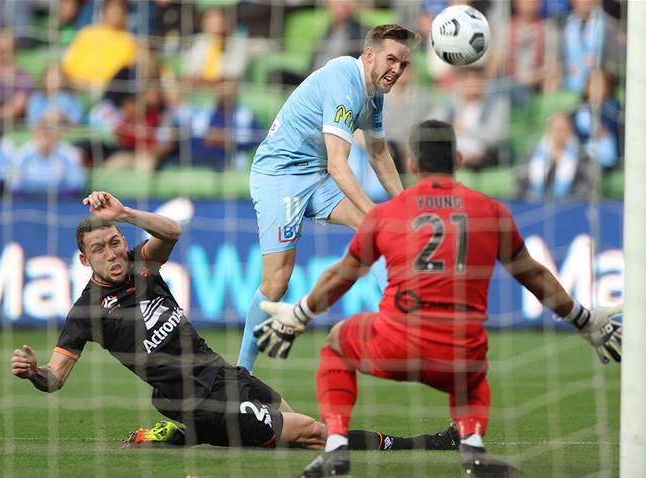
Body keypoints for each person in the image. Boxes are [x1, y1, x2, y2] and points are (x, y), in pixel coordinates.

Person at [255, 120, 624, 477]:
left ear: (412, 165)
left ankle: (335, 445)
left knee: (336, 344)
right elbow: (534, 275)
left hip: (394, 342)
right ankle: (473, 445)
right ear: (459, 161)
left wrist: (300, 314)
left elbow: (343, 274)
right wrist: (583, 319)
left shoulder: (387, 214)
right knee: (476, 370)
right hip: (459, 355)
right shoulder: (491, 211)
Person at [9, 191, 460, 452]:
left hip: (223, 374)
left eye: (114, 242)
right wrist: (34, 374)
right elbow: (55, 378)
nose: (112, 254)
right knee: (315, 431)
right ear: (83, 259)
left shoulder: (142, 265)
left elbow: (171, 232)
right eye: (100, 249)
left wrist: (125, 214)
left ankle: (179, 436)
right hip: (197, 400)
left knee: (292, 421)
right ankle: (425, 445)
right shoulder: (85, 313)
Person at [238, 24, 418, 372]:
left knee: (373, 228)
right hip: (281, 175)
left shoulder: (373, 92)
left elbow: (379, 153)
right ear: (369, 55)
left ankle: (398, 323)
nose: (396, 70)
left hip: (315, 174)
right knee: (276, 284)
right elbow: (339, 165)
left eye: (404, 64)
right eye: (391, 60)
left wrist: (405, 205)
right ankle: (241, 373)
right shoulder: (342, 82)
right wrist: (381, 213)